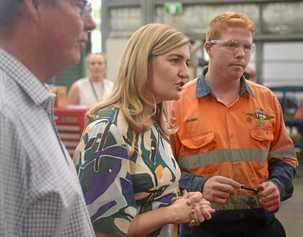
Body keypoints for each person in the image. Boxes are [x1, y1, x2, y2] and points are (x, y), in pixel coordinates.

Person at [75, 23, 214, 237]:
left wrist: (184, 203)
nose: (185, 73)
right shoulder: (108, 131)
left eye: (186, 62)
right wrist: (171, 213)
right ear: (143, 63)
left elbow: (150, 199)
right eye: (174, 60)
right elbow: (102, 230)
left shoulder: (155, 126)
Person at [169, 12, 298, 237]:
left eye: (247, 47)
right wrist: (200, 186)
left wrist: (278, 185)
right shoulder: (177, 103)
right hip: (203, 226)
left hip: (260, 226)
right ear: (209, 48)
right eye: (231, 45)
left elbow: (285, 158)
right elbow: (163, 173)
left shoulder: (266, 100)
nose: (241, 54)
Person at [0, 0, 96, 236]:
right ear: (34, 5)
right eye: (79, 6)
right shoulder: (5, 114)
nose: (91, 23)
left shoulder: (27, 104)